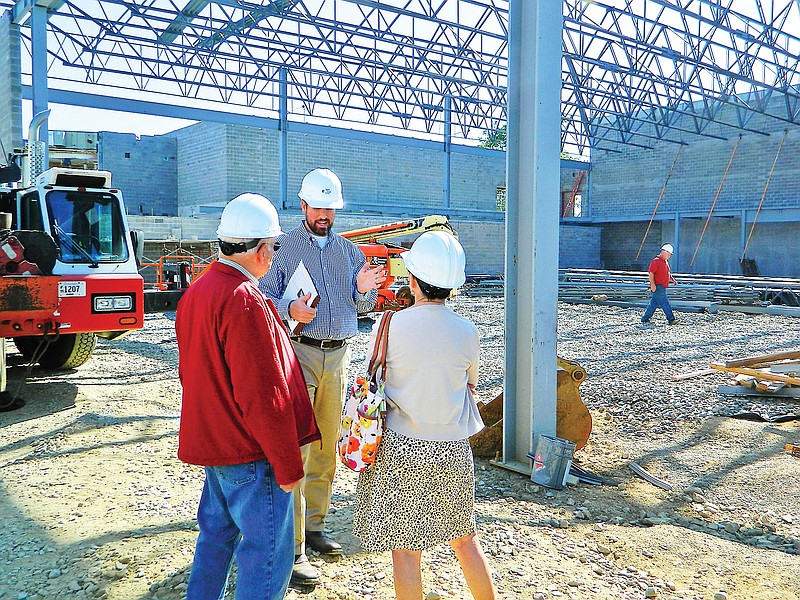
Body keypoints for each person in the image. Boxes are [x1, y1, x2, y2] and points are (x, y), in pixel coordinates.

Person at [176, 193, 320, 599]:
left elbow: (195, 374)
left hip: (217, 447)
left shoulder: (199, 291)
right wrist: (289, 464)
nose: (273, 256)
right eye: (273, 248)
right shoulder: (243, 299)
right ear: (260, 250)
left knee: (215, 541)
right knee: (267, 554)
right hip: (251, 454)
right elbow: (263, 394)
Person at [352, 231, 497, 600]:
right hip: (452, 449)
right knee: (465, 539)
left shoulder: (389, 326)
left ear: (412, 280)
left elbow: (374, 383)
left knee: (405, 548)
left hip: (402, 447)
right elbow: (470, 385)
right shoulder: (468, 331)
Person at [259, 168, 385, 584]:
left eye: (331, 208)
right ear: (303, 206)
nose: (325, 214)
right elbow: (262, 298)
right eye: (318, 207)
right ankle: (292, 547)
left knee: (327, 446)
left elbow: (362, 309)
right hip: (300, 350)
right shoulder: (283, 249)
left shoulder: (350, 254)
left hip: (339, 356)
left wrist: (364, 289)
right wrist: (288, 310)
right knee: (297, 447)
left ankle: (314, 526)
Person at [641, 242, 678, 325]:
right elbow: (651, 273)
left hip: (661, 286)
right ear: (664, 252)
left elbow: (667, 273)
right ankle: (671, 319)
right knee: (665, 303)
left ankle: (645, 318)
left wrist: (672, 279)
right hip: (658, 286)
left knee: (653, 304)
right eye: (668, 254)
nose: (669, 256)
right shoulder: (656, 261)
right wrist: (652, 285)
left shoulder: (665, 262)